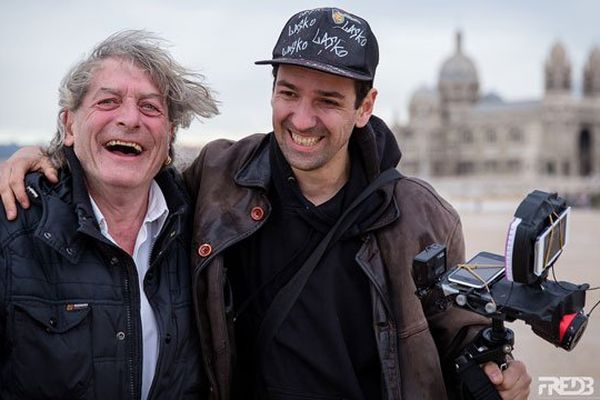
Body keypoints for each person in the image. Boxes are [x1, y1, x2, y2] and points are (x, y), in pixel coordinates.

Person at [0, 8, 531, 400]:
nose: (301, 119)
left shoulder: (420, 214)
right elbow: (123, 173)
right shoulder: (217, 178)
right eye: (289, 92)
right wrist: (45, 158)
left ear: (365, 106)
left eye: (328, 100)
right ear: (271, 89)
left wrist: (500, 374)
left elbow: (460, 331)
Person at [0, 30, 218, 399]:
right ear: (69, 125)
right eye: (108, 101)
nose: (130, 119)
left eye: (150, 107)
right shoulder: (14, 226)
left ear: (169, 137)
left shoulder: (201, 226)